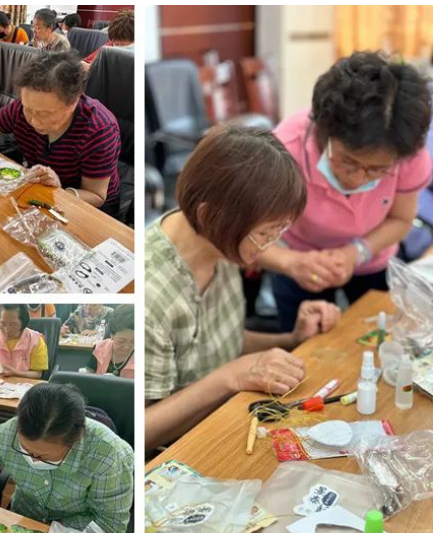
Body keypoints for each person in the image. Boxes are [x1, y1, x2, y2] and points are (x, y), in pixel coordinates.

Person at [145, 126, 341, 452]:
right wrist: (230, 378)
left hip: (228, 418)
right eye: (264, 234)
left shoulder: (219, 247)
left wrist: (293, 339)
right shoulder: (153, 296)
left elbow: (221, 343)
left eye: (278, 232)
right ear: (210, 216)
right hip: (182, 452)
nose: (269, 246)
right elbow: (142, 431)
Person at [258, 52, 432, 331]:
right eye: (348, 162)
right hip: (298, 259)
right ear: (322, 131)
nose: (358, 178)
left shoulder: (408, 154)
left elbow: (401, 219)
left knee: (379, 335)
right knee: (303, 342)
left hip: (373, 257)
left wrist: (357, 253)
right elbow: (242, 234)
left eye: (377, 169)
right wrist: (291, 263)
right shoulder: (285, 150)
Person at [0, 382, 133, 533]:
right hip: (22, 519)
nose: (32, 459)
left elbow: (111, 523)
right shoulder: (9, 431)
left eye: (41, 456)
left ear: (75, 439)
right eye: (24, 448)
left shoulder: (109, 454)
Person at [0, 51, 122, 216]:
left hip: (87, 208)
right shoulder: (21, 108)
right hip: (38, 191)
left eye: (45, 114)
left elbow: (97, 196)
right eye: (28, 109)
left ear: (73, 103)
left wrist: (60, 192)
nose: (33, 121)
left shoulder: (99, 129)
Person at [0, 305, 48, 379]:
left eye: (13, 324)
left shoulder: (35, 341)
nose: (6, 329)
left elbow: (38, 374)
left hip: (24, 385)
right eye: (3, 323)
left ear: (23, 323)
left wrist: (15, 373)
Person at [86, 305, 134, 378]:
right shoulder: (99, 348)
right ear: (112, 335)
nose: (126, 347)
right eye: (121, 341)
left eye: (133, 342)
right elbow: (88, 375)